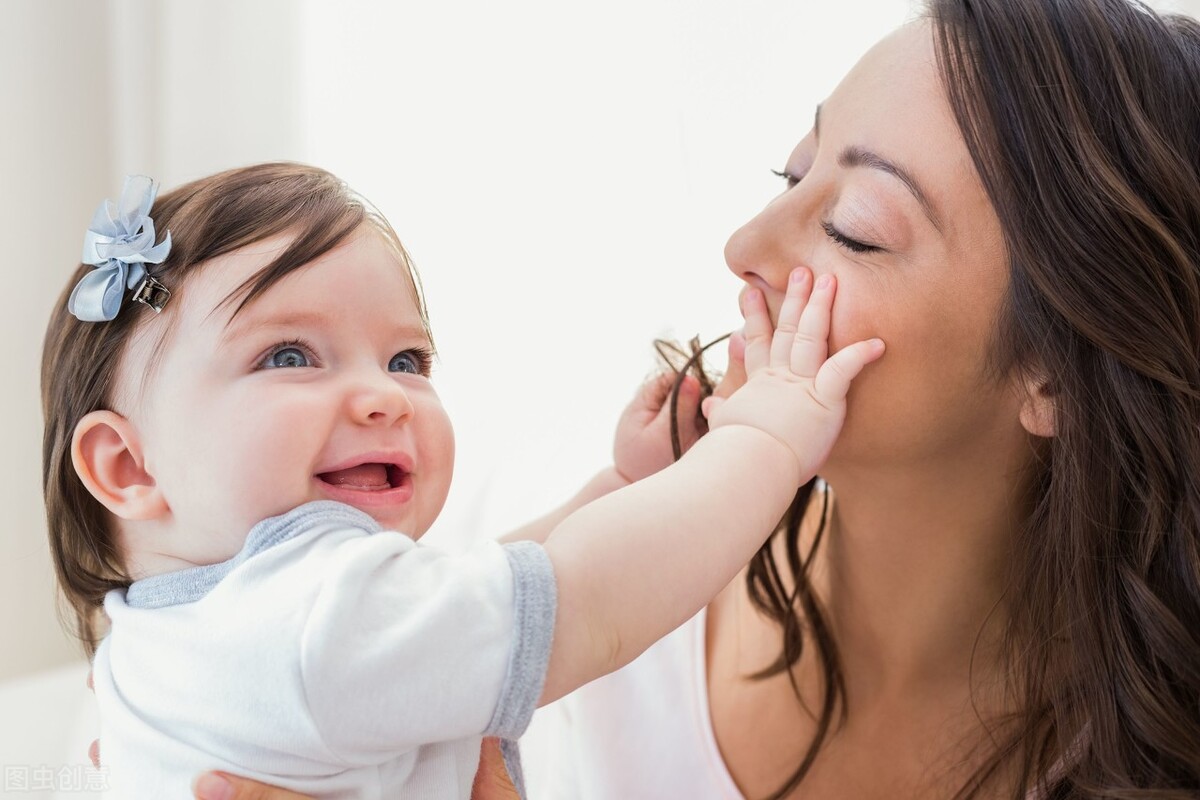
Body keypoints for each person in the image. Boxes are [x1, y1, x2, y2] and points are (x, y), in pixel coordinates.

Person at [185, 0, 1200, 797]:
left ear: (1055, 371)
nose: (744, 246)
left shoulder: (1157, 741)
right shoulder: (561, 585)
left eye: (852, 225)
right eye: (789, 174)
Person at [42, 163, 884, 798]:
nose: (382, 396)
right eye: (289, 356)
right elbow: (590, 602)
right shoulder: (315, 628)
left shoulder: (167, 644)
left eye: (406, 360)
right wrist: (767, 437)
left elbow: (467, 592)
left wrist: (620, 486)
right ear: (128, 466)